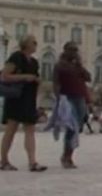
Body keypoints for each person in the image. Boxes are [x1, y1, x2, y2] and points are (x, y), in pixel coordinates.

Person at [0, 35, 47, 172]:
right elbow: (4, 76)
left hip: (28, 98)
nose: (36, 44)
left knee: (30, 130)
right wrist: (25, 77)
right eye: (34, 42)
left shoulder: (34, 62)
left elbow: (35, 78)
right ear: (26, 44)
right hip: (15, 98)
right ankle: (4, 161)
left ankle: (32, 162)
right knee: (11, 130)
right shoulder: (16, 57)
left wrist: (37, 82)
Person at [53, 41, 91, 168]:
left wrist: (80, 65)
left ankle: (68, 155)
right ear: (65, 50)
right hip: (67, 97)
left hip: (79, 97)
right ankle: (66, 156)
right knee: (72, 126)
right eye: (72, 50)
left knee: (77, 127)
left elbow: (88, 77)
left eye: (76, 50)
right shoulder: (59, 65)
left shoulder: (77, 66)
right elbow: (56, 82)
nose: (74, 52)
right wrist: (58, 98)